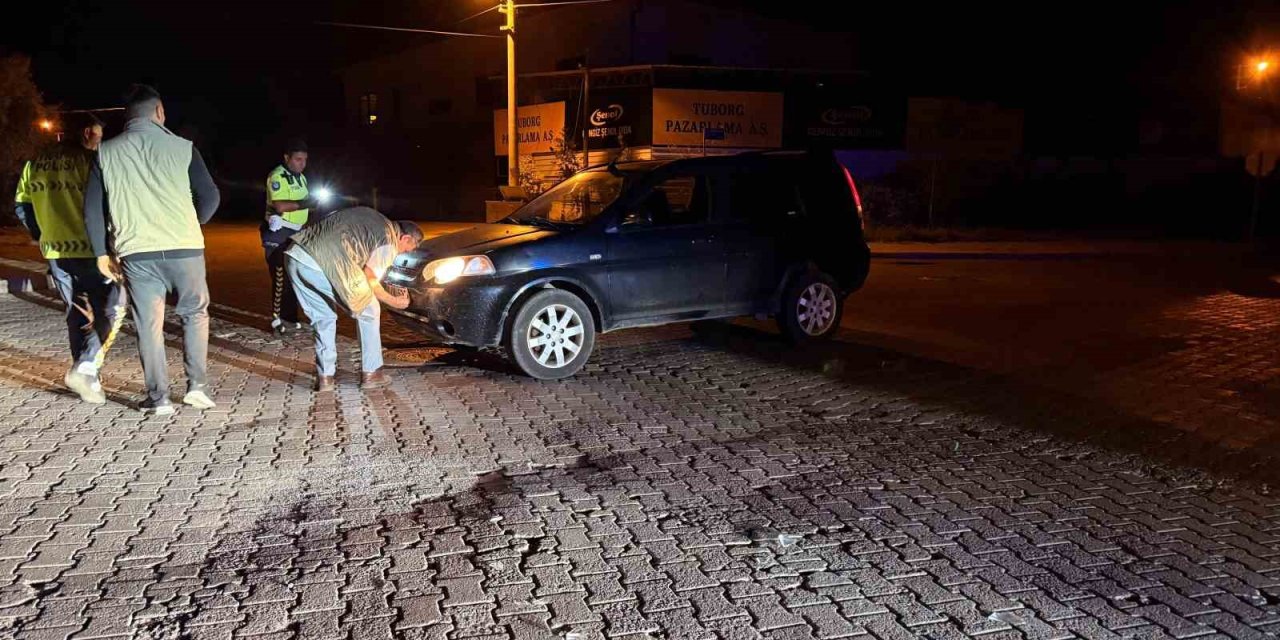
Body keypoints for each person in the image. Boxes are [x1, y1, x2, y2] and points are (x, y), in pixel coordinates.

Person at [83, 84, 221, 416]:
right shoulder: (183, 147)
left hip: (137, 252)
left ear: (127, 117)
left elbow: (91, 209)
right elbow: (211, 197)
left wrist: (102, 253)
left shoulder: (106, 152)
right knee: (194, 314)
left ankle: (159, 399)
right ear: (159, 112)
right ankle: (197, 389)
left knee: (149, 324)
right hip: (185, 248)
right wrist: (190, 224)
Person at [13, 113, 124, 404]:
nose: (101, 142)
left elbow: (22, 204)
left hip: (55, 250)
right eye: (99, 136)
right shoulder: (91, 163)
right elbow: (107, 206)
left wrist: (42, 233)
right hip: (92, 249)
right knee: (113, 307)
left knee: (76, 311)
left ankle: (87, 378)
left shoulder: (34, 162)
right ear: (87, 132)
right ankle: (86, 366)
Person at [284, 207, 421, 391]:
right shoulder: (388, 239)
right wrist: (394, 301)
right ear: (405, 238)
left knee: (323, 318)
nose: (401, 254)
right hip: (323, 262)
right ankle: (372, 374)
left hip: (296, 254)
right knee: (370, 309)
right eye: (406, 250)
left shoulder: (374, 218)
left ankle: (325, 377)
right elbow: (370, 277)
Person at [262, 140, 316, 334]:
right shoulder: (277, 176)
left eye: (305, 160)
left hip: (297, 232)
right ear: (287, 158)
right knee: (280, 277)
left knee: (295, 276)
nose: (302, 164)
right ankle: (278, 322)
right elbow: (280, 206)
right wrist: (307, 203)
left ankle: (292, 319)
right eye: (298, 159)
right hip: (279, 233)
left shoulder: (301, 177)